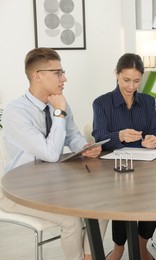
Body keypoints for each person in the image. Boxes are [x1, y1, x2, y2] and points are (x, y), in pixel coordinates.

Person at [1, 47, 102, 260]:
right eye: (58, 72)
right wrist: (59, 113)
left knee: (101, 205)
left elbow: (72, 136)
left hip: (53, 184)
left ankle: (88, 257)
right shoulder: (16, 112)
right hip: (18, 191)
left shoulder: (59, 103)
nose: (64, 78)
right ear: (37, 76)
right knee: (71, 221)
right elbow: (50, 153)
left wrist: (85, 147)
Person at [92, 53, 156, 260]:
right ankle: (118, 249)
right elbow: (99, 138)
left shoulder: (148, 102)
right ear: (116, 74)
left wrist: (153, 139)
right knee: (122, 197)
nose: (131, 86)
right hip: (114, 170)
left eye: (136, 81)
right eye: (126, 80)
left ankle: (141, 246)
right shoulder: (102, 103)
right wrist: (119, 136)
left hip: (147, 168)